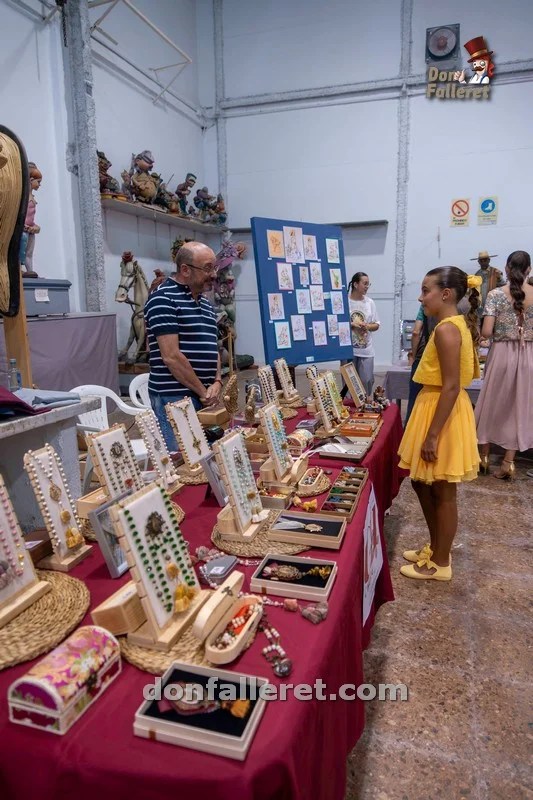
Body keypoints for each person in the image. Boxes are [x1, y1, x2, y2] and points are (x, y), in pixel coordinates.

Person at [398, 267, 481, 582]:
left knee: (444, 489)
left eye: (425, 290)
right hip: (433, 406)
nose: (421, 297)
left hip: (441, 410)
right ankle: (435, 547)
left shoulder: (447, 329)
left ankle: (442, 561)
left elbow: (450, 386)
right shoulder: (449, 325)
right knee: (422, 482)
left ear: (446, 294)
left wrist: (433, 434)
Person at [144, 241, 222, 451]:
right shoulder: (163, 299)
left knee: (209, 457)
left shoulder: (205, 304)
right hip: (174, 397)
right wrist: (202, 391)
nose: (214, 274)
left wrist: (216, 381)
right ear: (185, 270)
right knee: (185, 462)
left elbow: (213, 347)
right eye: (207, 268)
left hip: (203, 395)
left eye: (214, 267)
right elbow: (171, 356)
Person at [475, 250, 533, 479]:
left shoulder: (496, 294)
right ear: (528, 269)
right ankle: (508, 462)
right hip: (528, 354)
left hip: (501, 353)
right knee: (520, 406)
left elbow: (487, 332)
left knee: (492, 403)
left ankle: (484, 457)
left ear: (507, 269)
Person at [347, 272, 380, 397]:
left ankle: (365, 405)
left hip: (366, 349)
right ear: (355, 284)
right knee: (349, 382)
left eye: (368, 284)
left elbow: (376, 324)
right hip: (349, 350)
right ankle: (349, 409)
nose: (367, 287)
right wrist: (352, 325)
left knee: (367, 380)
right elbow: (338, 323)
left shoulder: (369, 303)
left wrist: (367, 326)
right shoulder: (345, 302)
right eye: (364, 283)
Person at [406, 305, 436, 424]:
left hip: (423, 355)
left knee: (415, 400)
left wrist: (413, 354)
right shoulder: (463, 304)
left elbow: (416, 332)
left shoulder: (425, 305)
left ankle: (410, 431)